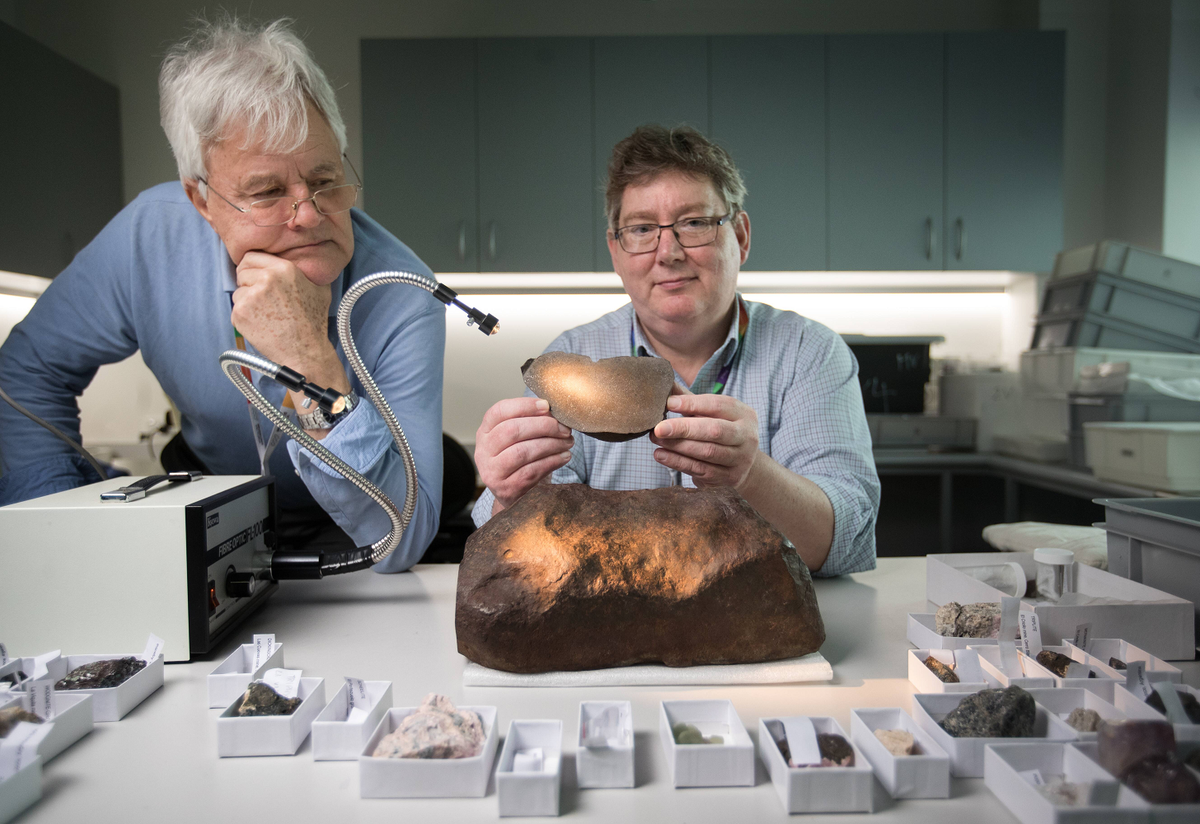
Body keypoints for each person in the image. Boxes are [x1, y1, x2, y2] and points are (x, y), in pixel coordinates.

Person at [0, 18, 444, 573]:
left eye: (326, 179)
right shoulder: (146, 238)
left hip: (345, 544)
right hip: (202, 523)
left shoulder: (404, 292)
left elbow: (401, 536)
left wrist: (308, 358)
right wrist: (50, 523)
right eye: (266, 192)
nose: (308, 214)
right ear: (202, 200)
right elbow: (22, 376)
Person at [473, 125, 879, 576]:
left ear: (740, 236)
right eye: (642, 229)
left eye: (694, 223)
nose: (668, 252)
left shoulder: (810, 353)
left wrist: (750, 474)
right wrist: (509, 494)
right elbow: (521, 552)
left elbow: (843, 543)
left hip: (763, 622)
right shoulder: (572, 357)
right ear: (616, 251)